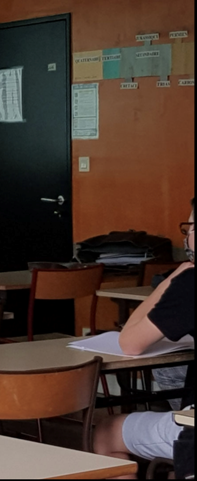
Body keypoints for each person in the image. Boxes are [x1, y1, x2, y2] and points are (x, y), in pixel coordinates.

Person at [93, 198, 195, 475]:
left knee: (106, 431)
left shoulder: (190, 283)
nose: (186, 235)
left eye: (191, 227)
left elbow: (130, 342)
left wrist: (169, 283)